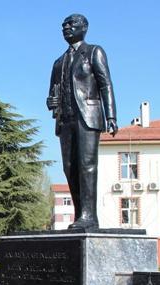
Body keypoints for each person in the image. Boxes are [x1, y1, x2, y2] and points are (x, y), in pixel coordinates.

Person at [46, 13, 117, 229]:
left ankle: (89, 216)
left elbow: (106, 84)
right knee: (70, 168)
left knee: (87, 165)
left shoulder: (94, 51)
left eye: (71, 24)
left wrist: (111, 115)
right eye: (63, 25)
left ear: (84, 27)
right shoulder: (58, 62)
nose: (66, 28)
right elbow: (51, 94)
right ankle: (80, 214)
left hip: (88, 116)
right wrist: (51, 101)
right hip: (64, 119)